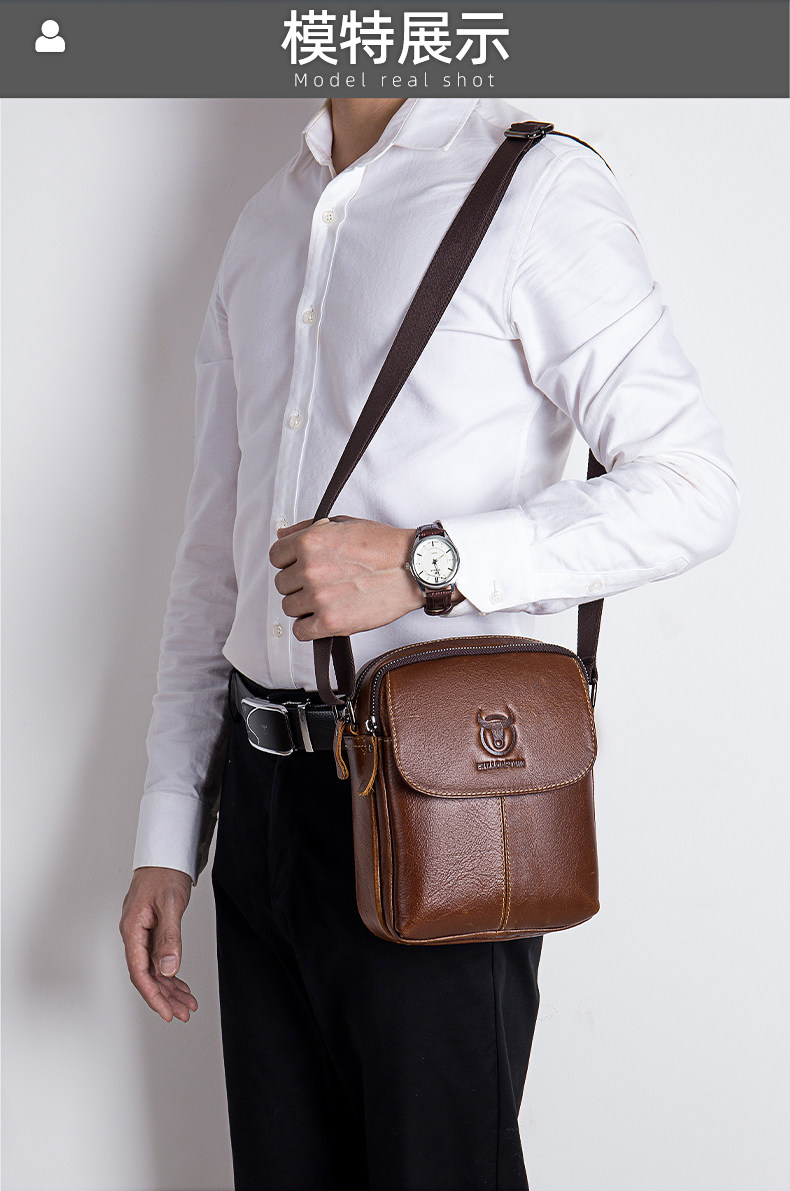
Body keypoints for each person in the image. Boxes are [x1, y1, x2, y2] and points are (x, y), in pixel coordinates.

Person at [119, 97, 739, 1189]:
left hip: (438, 798)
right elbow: (214, 556)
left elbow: (693, 490)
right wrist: (172, 829)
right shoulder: (266, 221)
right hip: (259, 809)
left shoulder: (536, 188)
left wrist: (424, 563)